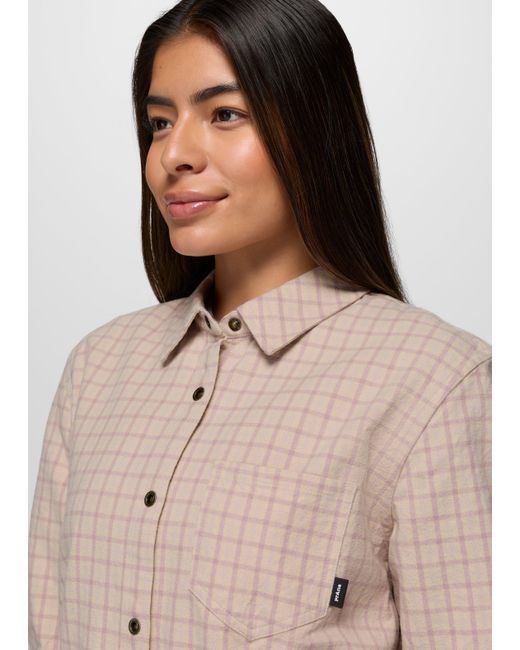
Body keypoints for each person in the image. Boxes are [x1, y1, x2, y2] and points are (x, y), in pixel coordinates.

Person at [29, 0, 491, 648]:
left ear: (313, 130)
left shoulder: (436, 382)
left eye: (224, 114)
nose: (173, 154)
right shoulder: (97, 368)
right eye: (159, 123)